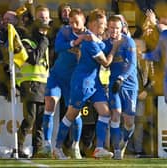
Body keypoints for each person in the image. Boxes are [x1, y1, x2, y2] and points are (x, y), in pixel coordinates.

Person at [53, 8, 117, 160]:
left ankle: (99, 148)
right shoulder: (89, 41)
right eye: (102, 24)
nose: (105, 26)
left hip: (95, 82)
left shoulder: (93, 38)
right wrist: (115, 48)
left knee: (105, 112)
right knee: (71, 116)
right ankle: (57, 148)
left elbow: (102, 44)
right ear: (94, 24)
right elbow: (106, 62)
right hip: (82, 82)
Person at [41, 8, 88, 159]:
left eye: (77, 22)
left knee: (75, 113)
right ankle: (47, 144)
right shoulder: (65, 31)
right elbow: (59, 46)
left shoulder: (89, 36)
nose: (73, 25)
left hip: (74, 80)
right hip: (57, 75)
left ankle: (75, 146)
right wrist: (75, 42)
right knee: (50, 103)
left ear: (84, 21)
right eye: (71, 21)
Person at [103, 15, 138, 160]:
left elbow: (132, 65)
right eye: (111, 28)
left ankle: (124, 141)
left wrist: (121, 78)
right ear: (108, 27)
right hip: (114, 84)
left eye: (117, 28)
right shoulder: (106, 43)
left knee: (129, 120)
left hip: (129, 85)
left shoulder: (128, 41)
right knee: (115, 114)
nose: (114, 31)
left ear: (121, 28)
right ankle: (117, 149)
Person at [16, 19, 50, 158]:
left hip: (43, 84)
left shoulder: (43, 42)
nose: (44, 33)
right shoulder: (26, 42)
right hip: (30, 84)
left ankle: (38, 150)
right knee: (30, 119)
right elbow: (34, 59)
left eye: (46, 30)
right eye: (42, 30)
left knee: (40, 121)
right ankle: (18, 147)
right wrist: (43, 43)